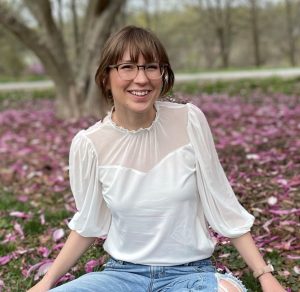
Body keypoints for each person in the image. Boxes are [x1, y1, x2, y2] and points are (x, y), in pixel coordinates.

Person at [28, 25, 286, 292]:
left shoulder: (189, 120)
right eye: (127, 67)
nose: (141, 79)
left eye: (151, 67)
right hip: (121, 276)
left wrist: (264, 275)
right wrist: (46, 283)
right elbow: (89, 222)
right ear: (106, 77)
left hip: (190, 275)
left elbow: (223, 204)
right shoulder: (89, 144)